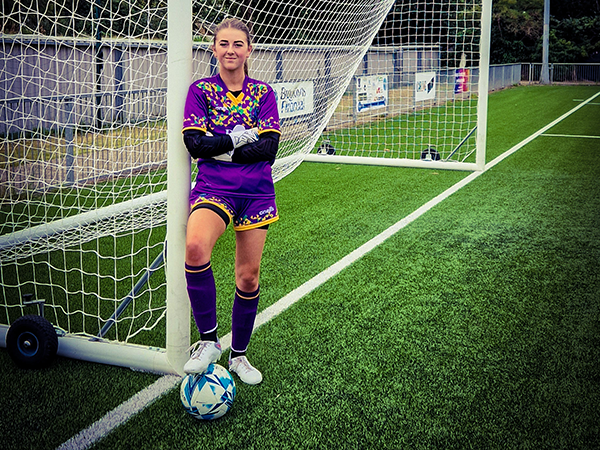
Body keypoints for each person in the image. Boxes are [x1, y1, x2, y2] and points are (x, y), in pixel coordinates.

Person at [181, 17, 280, 385]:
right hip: (213, 187)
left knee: (248, 276)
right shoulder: (201, 91)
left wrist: (219, 144)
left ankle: (239, 355)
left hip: (256, 192)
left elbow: (268, 149)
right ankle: (208, 341)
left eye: (238, 44)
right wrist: (241, 139)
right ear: (214, 48)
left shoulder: (264, 93)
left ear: (249, 50)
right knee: (194, 247)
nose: (230, 51)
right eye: (224, 44)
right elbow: (195, 144)